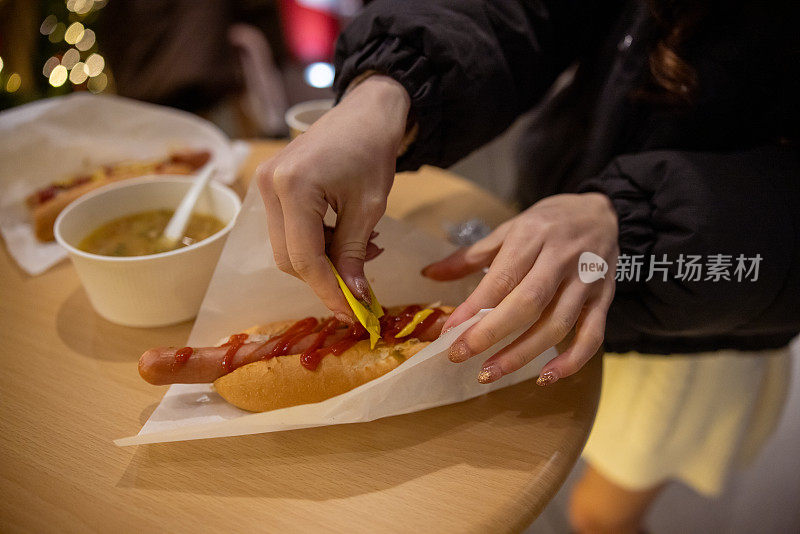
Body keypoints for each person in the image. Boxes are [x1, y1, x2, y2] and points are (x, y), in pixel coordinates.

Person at [256, 1, 799, 531]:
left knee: (601, 513)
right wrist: (390, 85)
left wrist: (636, 222)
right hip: (550, 256)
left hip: (695, 320)